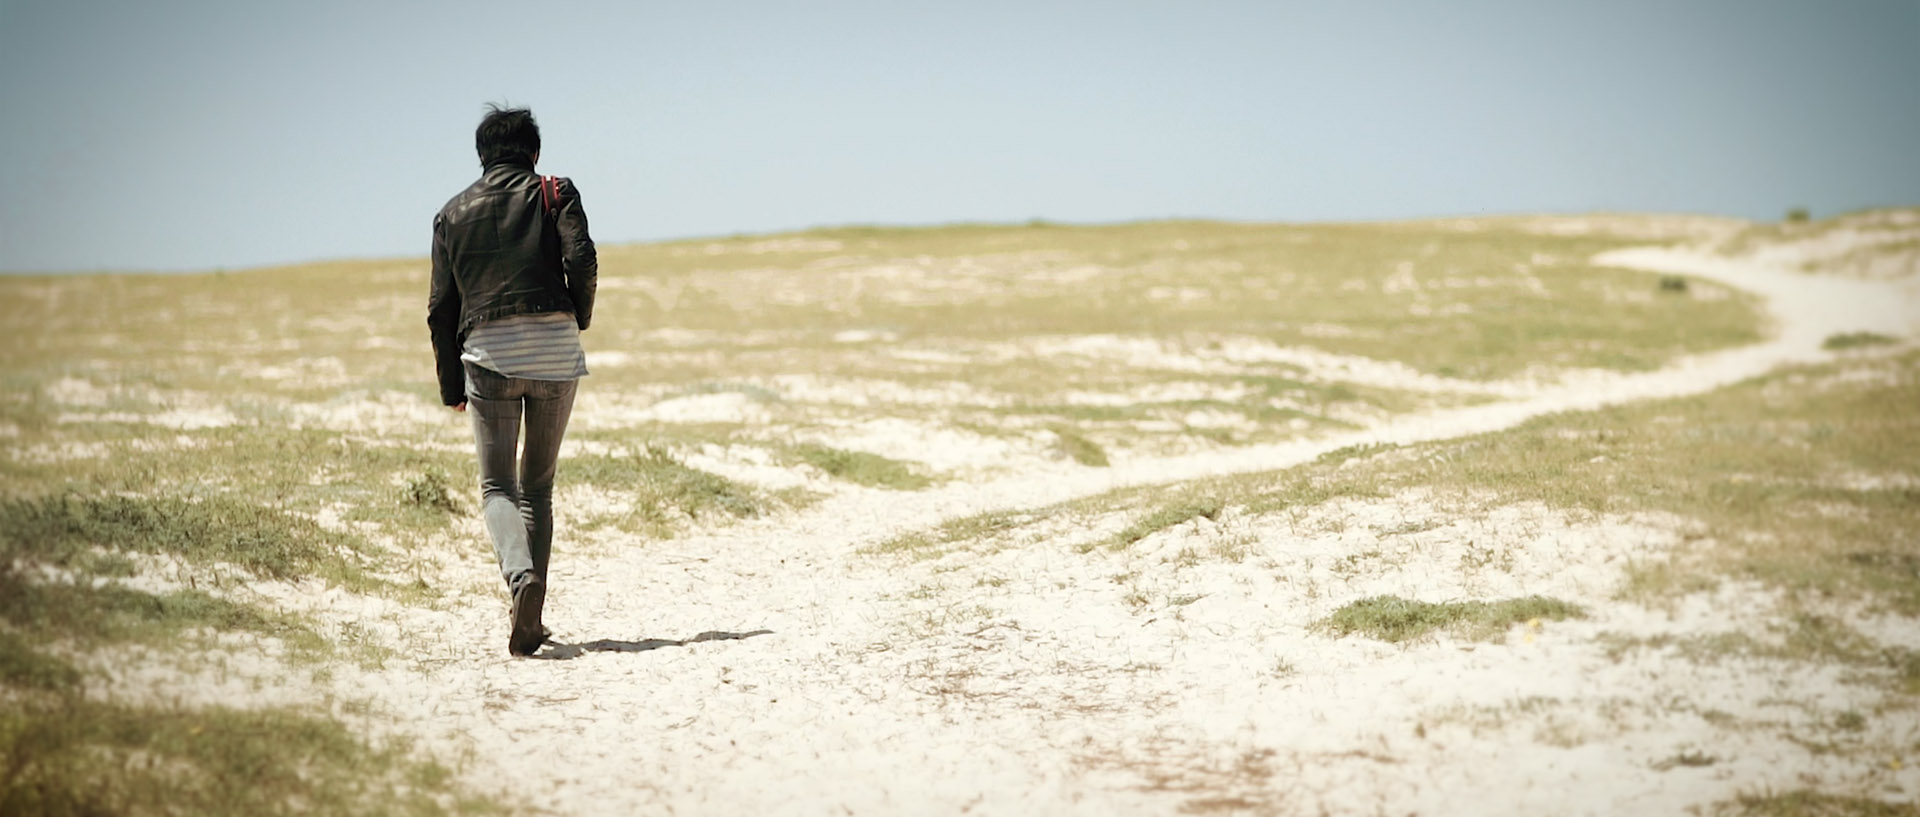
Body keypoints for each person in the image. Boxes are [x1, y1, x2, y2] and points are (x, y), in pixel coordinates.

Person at [428, 105, 597, 656]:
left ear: (482, 158)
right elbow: (583, 259)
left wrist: (452, 386)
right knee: (537, 488)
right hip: (554, 352)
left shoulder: (451, 213)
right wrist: (576, 317)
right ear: (534, 153)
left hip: (488, 356)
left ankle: (519, 580)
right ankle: (534, 615)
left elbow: (440, 308)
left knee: (497, 486)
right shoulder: (555, 190)